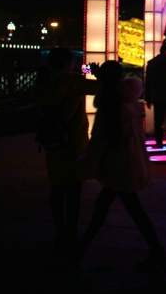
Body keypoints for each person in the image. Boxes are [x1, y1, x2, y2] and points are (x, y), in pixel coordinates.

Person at [76, 61, 166, 271]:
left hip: (117, 165)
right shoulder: (130, 98)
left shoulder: (110, 103)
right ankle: (156, 251)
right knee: (119, 208)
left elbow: (101, 139)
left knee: (118, 210)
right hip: (130, 161)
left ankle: (79, 250)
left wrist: (89, 163)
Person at [33, 47, 99, 258]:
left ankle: (59, 231)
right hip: (73, 142)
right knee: (73, 191)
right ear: (67, 64)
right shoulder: (73, 81)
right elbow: (103, 88)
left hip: (53, 141)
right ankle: (71, 232)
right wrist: (97, 73)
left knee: (57, 188)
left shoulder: (43, 82)